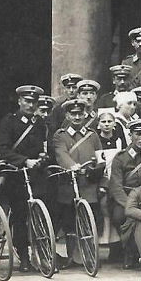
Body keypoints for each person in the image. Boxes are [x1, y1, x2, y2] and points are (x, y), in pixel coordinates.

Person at [0, 85, 49, 272]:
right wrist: (25, 161)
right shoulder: (9, 122)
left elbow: (43, 147)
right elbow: (3, 150)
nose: (30, 104)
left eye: (34, 101)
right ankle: (24, 258)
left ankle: (43, 254)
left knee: (41, 215)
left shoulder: (40, 123)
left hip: (36, 176)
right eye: (27, 101)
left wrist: (43, 158)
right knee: (20, 217)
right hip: (16, 175)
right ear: (19, 101)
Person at [51, 99, 106, 253]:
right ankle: (72, 255)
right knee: (69, 222)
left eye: (80, 114)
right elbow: (61, 153)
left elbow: (100, 158)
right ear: (67, 116)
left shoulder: (92, 135)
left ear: (84, 115)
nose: (77, 117)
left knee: (90, 220)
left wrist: (97, 170)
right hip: (69, 184)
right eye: (73, 114)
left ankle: (89, 253)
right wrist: (72, 166)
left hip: (89, 184)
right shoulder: (60, 135)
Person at [108, 119, 141, 267]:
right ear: (130, 135)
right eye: (138, 134)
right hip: (125, 199)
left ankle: (139, 252)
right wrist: (130, 206)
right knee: (120, 216)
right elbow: (116, 186)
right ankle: (129, 251)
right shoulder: (120, 157)